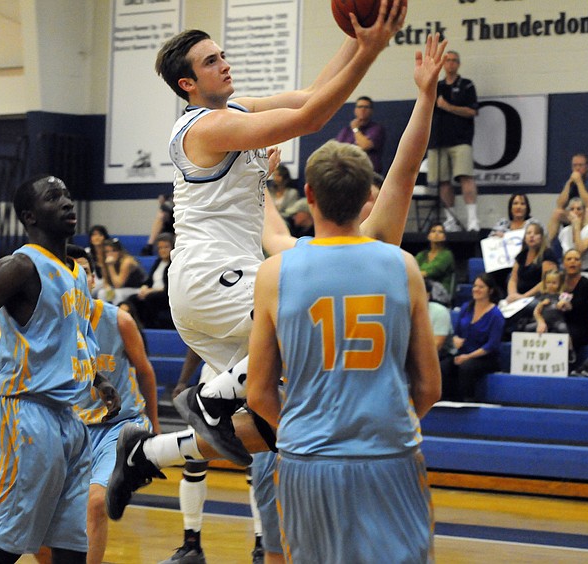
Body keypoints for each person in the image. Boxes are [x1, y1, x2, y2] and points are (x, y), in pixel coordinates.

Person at [105, 31, 448, 560]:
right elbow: (313, 119)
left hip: (224, 283)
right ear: (187, 83)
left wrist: (359, 44)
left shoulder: (237, 117)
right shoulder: (206, 125)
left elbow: (313, 94)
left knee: (268, 418)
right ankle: (210, 398)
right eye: (211, 61)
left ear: (311, 197)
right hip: (215, 278)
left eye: (223, 54)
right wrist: (376, 54)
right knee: (298, 339)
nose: (225, 63)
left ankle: (151, 454)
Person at [245, 140, 441, 563]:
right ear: (366, 198)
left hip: (306, 459)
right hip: (389, 454)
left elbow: (258, 393)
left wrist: (301, 429)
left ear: (309, 195)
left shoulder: (275, 271)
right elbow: (429, 387)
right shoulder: (403, 265)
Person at [0, 174, 121, 563]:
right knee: (9, 541)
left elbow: (76, 338)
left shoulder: (76, 274)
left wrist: (99, 379)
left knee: (71, 544)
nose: (67, 202)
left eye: (68, 194)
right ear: (29, 216)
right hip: (25, 414)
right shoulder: (18, 267)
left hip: (69, 420)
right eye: (54, 197)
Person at [0, 244, 159, 564]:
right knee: (40, 521)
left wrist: (155, 431)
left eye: (84, 272)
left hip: (120, 426)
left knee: (95, 502)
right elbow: (15, 384)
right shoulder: (48, 327)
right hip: (71, 429)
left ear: (92, 279)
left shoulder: (119, 321)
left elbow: (146, 373)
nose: (78, 279)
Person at [427, 50, 480, 232]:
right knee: (443, 181)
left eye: (453, 61)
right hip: (439, 141)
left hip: (461, 140)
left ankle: (472, 219)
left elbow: (472, 111)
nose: (450, 64)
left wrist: (448, 107)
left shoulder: (466, 85)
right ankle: (450, 220)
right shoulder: (437, 86)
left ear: (458, 64)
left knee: (466, 177)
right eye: (447, 60)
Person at [442, 273, 504, 402]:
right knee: (444, 365)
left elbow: (491, 345)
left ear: (490, 291)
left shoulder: (496, 315)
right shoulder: (466, 308)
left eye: (481, 287)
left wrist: (468, 356)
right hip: (463, 352)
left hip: (485, 357)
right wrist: (455, 340)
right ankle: (445, 401)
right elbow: (457, 332)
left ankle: (467, 401)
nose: (476, 289)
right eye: (475, 286)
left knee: (467, 367)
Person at [122, 232, 174, 329]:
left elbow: (170, 287)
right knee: (133, 298)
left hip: (166, 295)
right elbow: (149, 280)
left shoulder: (174, 264)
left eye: (166, 247)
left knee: (150, 298)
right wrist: (144, 287)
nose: (163, 250)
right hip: (153, 292)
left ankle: (150, 326)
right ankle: (136, 326)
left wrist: (151, 291)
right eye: (160, 248)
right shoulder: (158, 262)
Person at [552, 153, 588, 229]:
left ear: (587, 167)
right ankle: (548, 240)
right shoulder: (571, 180)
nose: (577, 168)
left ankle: (587, 239)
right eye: (574, 165)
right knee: (557, 212)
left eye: (580, 165)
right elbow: (560, 204)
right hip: (578, 212)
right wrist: (568, 184)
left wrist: (579, 182)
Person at [335, 95, 386, 172]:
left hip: (370, 173)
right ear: (355, 110)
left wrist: (355, 129)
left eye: (366, 107)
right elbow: (336, 150)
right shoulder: (346, 131)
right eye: (360, 107)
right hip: (349, 173)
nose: (362, 110)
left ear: (371, 111)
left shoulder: (376, 129)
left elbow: (365, 145)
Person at [550, 197, 588, 272]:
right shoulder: (565, 231)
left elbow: (579, 252)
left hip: (587, 270)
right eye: (572, 209)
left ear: (584, 212)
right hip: (568, 271)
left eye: (578, 209)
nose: (575, 212)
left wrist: (576, 227)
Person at [415, 222, 455, 304]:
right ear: (428, 236)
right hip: (422, 288)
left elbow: (433, 271)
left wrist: (417, 273)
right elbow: (411, 269)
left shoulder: (447, 255)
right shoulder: (422, 255)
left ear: (444, 237)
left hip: (440, 292)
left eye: (440, 232)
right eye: (433, 231)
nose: (436, 233)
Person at [100, 237, 146, 306]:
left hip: (139, 289)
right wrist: (108, 289)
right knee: (101, 292)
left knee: (117, 293)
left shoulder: (127, 261)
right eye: (107, 251)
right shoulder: (105, 261)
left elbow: (118, 285)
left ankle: (119, 316)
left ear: (120, 252)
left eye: (114, 250)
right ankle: (102, 316)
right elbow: (106, 282)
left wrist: (110, 266)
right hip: (123, 289)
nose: (110, 254)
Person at [526, 269, 569, 336]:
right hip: (544, 321)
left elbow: (569, 307)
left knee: (563, 328)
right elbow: (536, 311)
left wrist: (564, 304)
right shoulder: (541, 295)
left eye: (554, 283)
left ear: (560, 283)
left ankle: (570, 345)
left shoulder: (562, 295)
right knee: (528, 328)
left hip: (557, 321)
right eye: (548, 282)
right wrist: (541, 304)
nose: (550, 285)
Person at [427, 279, 456, 364]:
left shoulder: (440, 311)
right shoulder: (405, 311)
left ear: (428, 295)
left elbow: (438, 344)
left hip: (443, 354)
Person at [86, 224, 110, 294]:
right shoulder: (86, 252)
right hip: (92, 282)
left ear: (105, 237)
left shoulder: (110, 252)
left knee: (102, 293)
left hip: (109, 283)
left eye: (100, 235)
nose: (97, 237)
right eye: (93, 235)